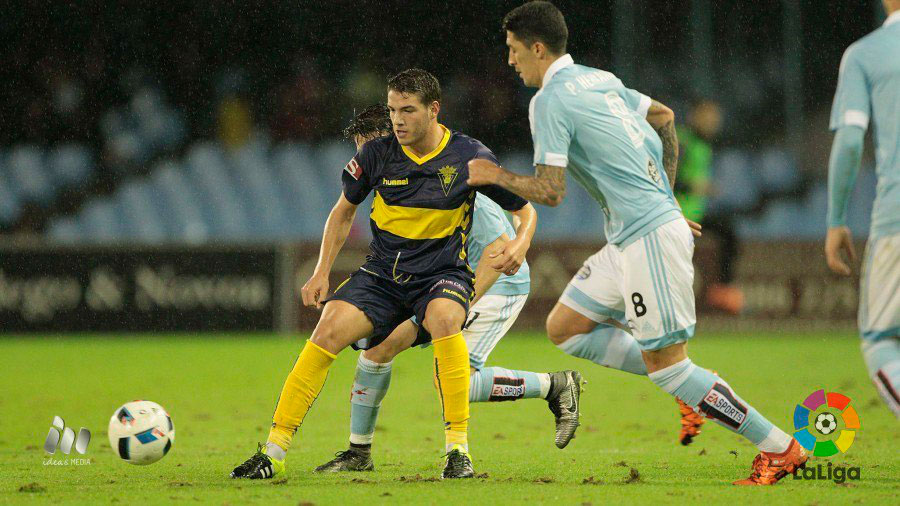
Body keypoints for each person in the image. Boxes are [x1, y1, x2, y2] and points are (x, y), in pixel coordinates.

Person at [467, 1, 807, 485]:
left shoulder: (548, 100)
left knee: (669, 366)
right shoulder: (598, 78)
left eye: (513, 49)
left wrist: (493, 175)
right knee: (567, 327)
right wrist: (666, 196)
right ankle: (689, 392)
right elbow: (664, 116)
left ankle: (780, 448)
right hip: (632, 235)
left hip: (648, 236)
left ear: (536, 47)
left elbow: (551, 190)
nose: (509, 60)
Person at [230, 69, 534, 480]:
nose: (398, 120)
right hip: (383, 276)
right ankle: (273, 452)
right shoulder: (376, 155)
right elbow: (343, 212)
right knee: (328, 330)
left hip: (442, 274)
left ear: (434, 110)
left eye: (407, 110)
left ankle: (457, 451)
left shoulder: (469, 156)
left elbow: (524, 210)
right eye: (393, 110)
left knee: (445, 319)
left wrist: (520, 244)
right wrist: (321, 270)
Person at [314, 104, 582, 473]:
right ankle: (358, 453)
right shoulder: (397, 180)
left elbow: (495, 252)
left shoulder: (448, 179)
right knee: (377, 349)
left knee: (454, 381)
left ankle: (554, 385)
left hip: (495, 281)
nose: (362, 158)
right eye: (358, 149)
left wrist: (448, 313)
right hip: (437, 282)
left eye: (367, 147)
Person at [825, 0, 900, 418]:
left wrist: (836, 220)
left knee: (880, 339)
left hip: (897, 217)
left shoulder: (866, 54)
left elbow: (851, 141)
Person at [676, 99, 744, 315]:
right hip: (674, 216)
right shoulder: (681, 140)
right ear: (694, 116)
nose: (713, 122)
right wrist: (692, 186)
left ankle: (722, 289)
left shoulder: (703, 145)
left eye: (715, 118)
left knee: (729, 232)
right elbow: (663, 177)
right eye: (708, 116)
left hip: (695, 215)